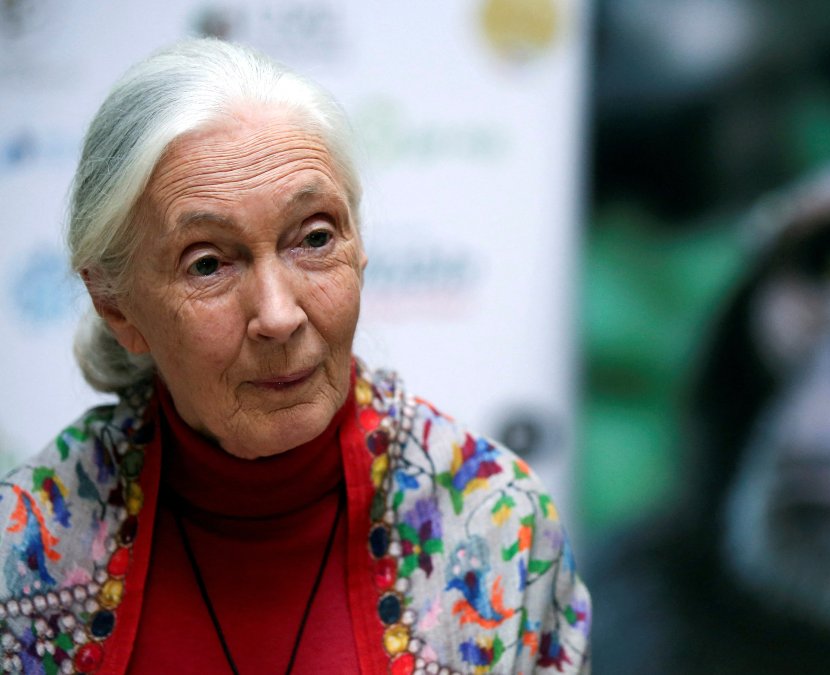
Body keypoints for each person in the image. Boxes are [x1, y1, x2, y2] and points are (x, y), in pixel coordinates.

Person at [0, 38, 590, 674]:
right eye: (207, 263)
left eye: (313, 238)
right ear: (117, 306)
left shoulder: (498, 526)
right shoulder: (26, 549)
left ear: (358, 244)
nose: (279, 316)